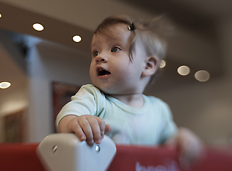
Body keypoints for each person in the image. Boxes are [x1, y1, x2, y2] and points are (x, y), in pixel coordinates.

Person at [56, 15, 203, 167]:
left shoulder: (159, 109)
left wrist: (182, 137)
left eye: (115, 49)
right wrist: (75, 122)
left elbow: (169, 144)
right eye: (95, 52)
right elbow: (67, 116)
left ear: (148, 65)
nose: (100, 57)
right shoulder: (93, 96)